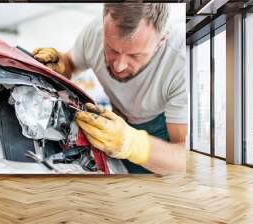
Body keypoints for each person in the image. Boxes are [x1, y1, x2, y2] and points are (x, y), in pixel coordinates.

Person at [33, 2, 187, 174]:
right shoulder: (94, 32)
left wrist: (132, 144)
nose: (119, 66)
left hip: (160, 137)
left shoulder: (182, 61)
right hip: (116, 124)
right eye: (111, 49)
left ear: (161, 40)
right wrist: (61, 63)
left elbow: (184, 157)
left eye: (135, 55)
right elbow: (70, 63)